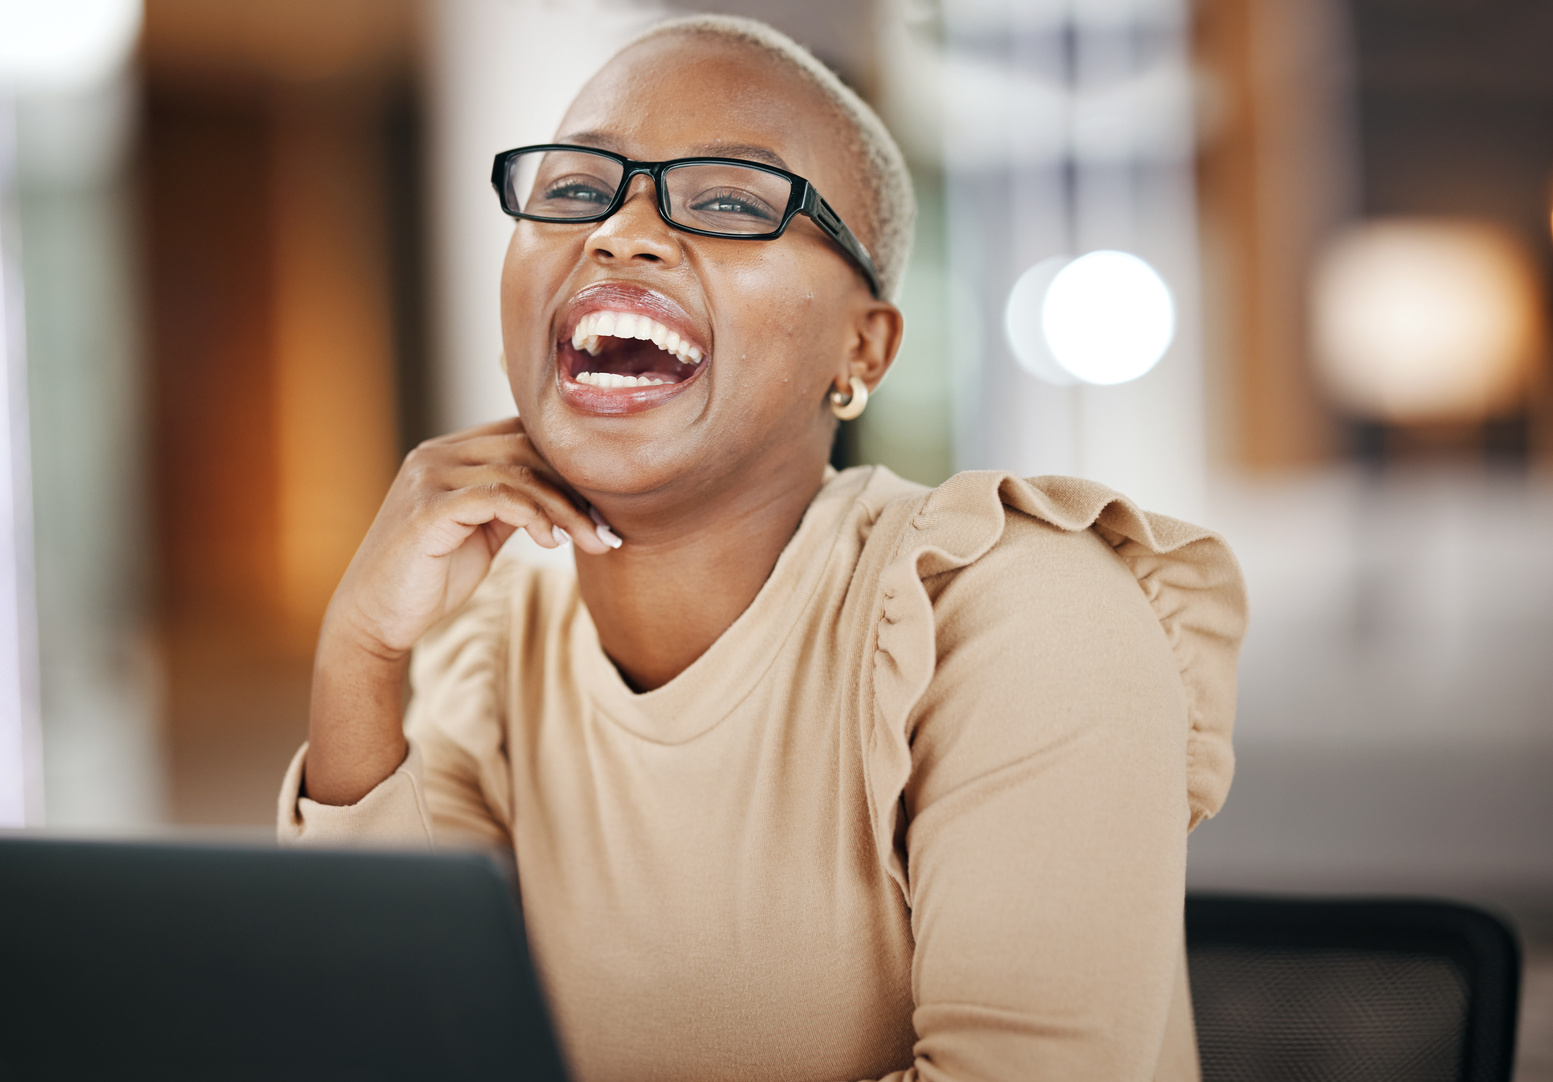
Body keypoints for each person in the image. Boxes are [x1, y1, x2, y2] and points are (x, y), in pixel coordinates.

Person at [278, 14, 1248, 1082]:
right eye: (569, 191)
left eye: (731, 201)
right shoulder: (494, 644)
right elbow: (396, 1041)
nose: (618, 233)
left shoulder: (1017, 616)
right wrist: (361, 653)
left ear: (860, 348)